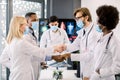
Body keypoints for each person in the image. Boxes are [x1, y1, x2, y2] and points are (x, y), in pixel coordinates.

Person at [0, 16, 65, 80]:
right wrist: (55, 48)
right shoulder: (21, 42)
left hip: (15, 75)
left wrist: (14, 67)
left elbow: (3, 59)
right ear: (19, 27)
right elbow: (38, 51)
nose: (26, 27)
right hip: (23, 76)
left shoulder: (11, 41)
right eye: (25, 24)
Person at [58, 7, 101, 80]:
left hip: (93, 71)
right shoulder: (82, 31)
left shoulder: (95, 32)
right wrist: (64, 47)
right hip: (84, 68)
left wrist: (70, 55)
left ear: (86, 17)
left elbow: (91, 55)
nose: (76, 21)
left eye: (78, 18)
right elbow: (75, 45)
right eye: (76, 19)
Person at [89, 5, 120, 80]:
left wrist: (101, 72)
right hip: (95, 76)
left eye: (98, 19)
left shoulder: (114, 42)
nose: (96, 22)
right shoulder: (100, 37)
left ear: (104, 24)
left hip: (105, 78)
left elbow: (117, 67)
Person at [24, 12, 40, 80]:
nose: (36, 22)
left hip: (35, 65)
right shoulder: (25, 35)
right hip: (28, 68)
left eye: (37, 20)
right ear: (26, 21)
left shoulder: (32, 33)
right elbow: (31, 52)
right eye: (33, 20)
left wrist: (40, 62)